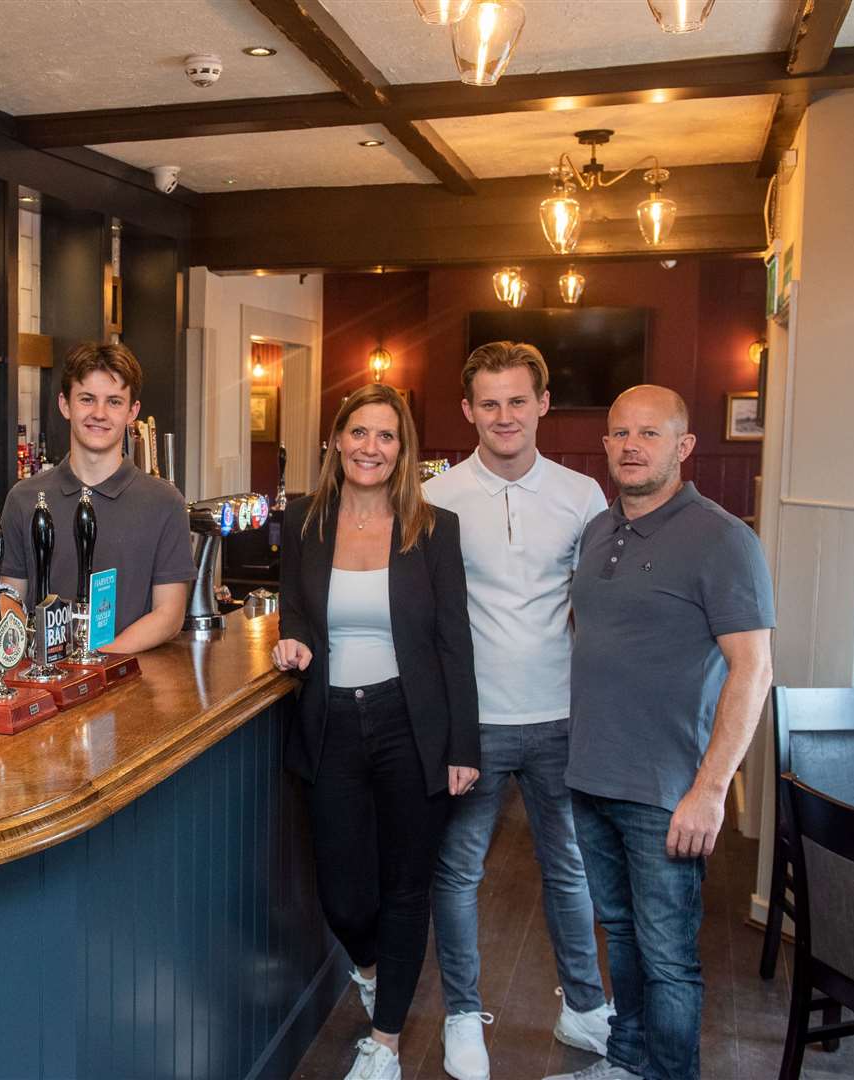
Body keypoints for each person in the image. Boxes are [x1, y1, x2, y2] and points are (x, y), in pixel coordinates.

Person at [543, 385, 774, 1080]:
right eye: (620, 433)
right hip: (590, 775)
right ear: (606, 444)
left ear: (684, 446)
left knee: (669, 957)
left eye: (649, 433)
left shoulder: (724, 539)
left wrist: (711, 790)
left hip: (669, 791)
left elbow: (752, 670)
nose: (632, 445)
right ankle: (625, 1062)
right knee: (621, 936)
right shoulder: (599, 530)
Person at [273, 382, 480, 1080]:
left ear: (404, 448)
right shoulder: (303, 520)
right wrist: (293, 640)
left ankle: (385, 1041)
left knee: (406, 888)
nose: (371, 447)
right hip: (330, 721)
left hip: (409, 725)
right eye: (359, 432)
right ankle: (373, 967)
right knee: (344, 894)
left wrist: (462, 747)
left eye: (386, 436)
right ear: (335, 439)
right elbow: (295, 610)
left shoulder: (435, 527)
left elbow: (456, 643)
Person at [422, 343, 612, 1080]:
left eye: (517, 400)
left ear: (542, 404)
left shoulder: (582, 495)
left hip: (562, 715)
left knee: (568, 868)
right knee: (459, 870)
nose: (505, 415)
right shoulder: (435, 499)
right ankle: (464, 1016)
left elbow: (597, 612)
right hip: (473, 724)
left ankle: (585, 1006)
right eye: (489, 403)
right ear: (468, 410)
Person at [0, 342, 193, 653]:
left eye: (114, 402)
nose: (99, 414)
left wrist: (93, 663)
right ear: (65, 405)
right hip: (44, 686)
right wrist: (40, 658)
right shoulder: (23, 499)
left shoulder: (165, 503)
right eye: (87, 399)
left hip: (132, 686)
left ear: (132, 412)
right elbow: (9, 597)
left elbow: (169, 615)